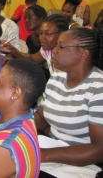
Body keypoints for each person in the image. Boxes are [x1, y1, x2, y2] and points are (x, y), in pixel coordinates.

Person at [35, 28, 103, 177]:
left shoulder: (98, 88)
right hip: (53, 150)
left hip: (84, 164)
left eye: (61, 46)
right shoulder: (56, 79)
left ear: (83, 53)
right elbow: (40, 118)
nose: (54, 51)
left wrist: (43, 155)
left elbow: (99, 150)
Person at [1, 14, 69, 75]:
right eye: (41, 33)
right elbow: (32, 59)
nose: (42, 38)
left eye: (48, 34)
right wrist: (12, 50)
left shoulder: (70, 55)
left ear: (62, 34)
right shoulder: (47, 49)